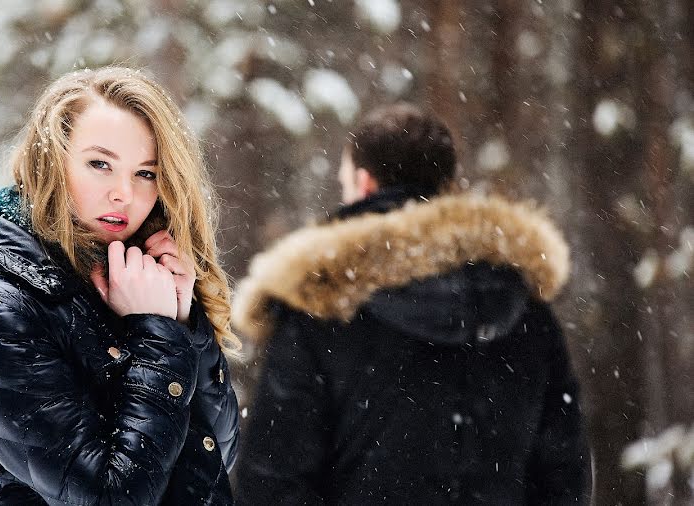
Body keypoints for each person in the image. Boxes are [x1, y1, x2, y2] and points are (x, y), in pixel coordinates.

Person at [232, 103, 590, 504]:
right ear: (447, 187)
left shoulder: (322, 307)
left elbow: (272, 482)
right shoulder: (524, 310)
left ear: (364, 185)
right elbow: (564, 476)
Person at [0, 67, 240, 505]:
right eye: (100, 164)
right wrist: (158, 333)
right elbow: (110, 496)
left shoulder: (143, 283)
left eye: (145, 173)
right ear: (50, 164)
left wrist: (182, 323)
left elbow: (217, 457)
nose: (123, 193)